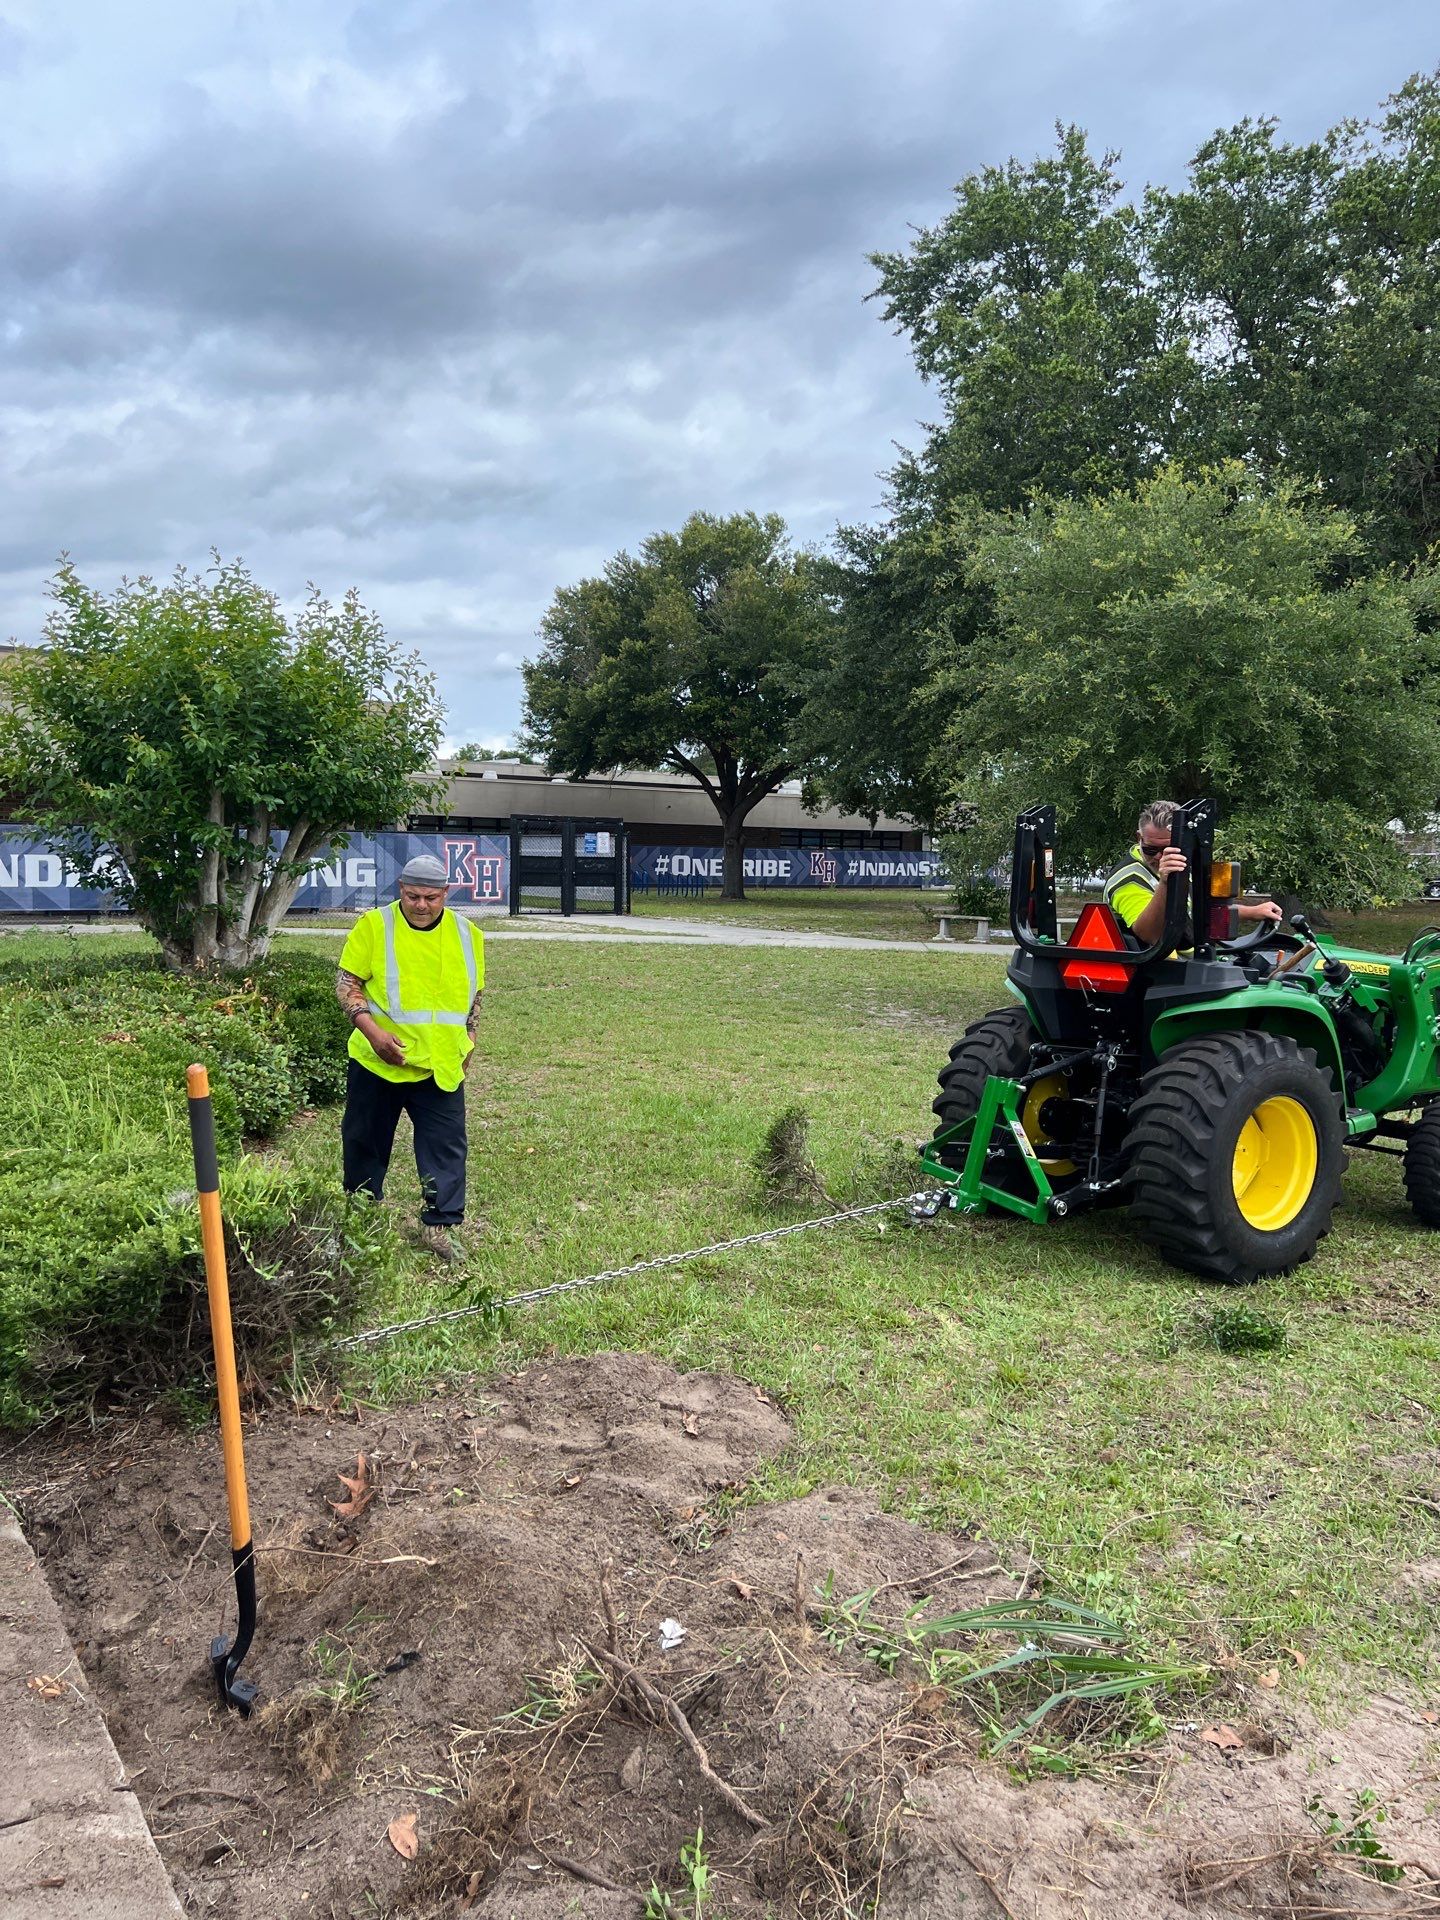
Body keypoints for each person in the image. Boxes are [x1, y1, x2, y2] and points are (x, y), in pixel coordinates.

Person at [334, 854, 483, 1263]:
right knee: (365, 1141)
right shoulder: (374, 926)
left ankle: (442, 1228)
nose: (421, 905)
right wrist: (373, 1032)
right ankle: (361, 1217)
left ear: (445, 894)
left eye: (431, 897)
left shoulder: (468, 935)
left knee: (446, 1148)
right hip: (378, 1062)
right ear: (400, 889)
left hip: (439, 1065)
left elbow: (474, 997)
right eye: (413, 895)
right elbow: (347, 985)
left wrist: (469, 1041)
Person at [1104, 800, 1283, 946]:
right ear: (1139, 838)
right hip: (1154, 977)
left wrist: (1253, 912)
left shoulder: (1182, 864)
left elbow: (1197, 912)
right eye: (1151, 849)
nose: (1160, 857)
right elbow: (1150, 935)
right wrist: (1166, 883)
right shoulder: (1129, 879)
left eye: (1169, 849)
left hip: (1188, 964)